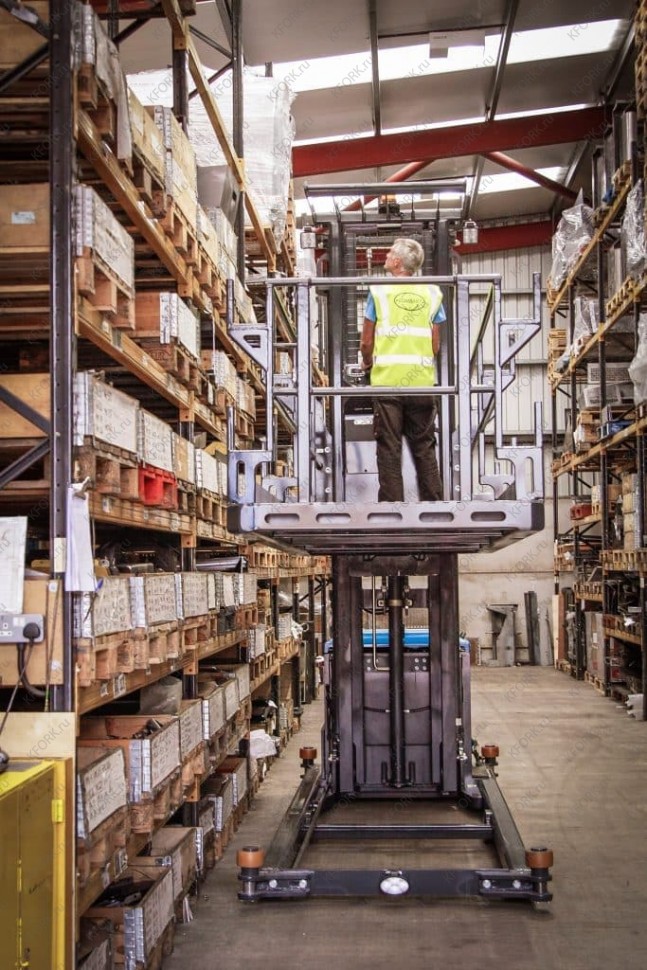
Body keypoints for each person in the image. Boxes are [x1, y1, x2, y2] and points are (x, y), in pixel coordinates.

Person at [360, 237, 445, 502]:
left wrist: (367, 362)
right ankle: (435, 506)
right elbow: (435, 345)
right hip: (421, 384)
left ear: (397, 262)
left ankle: (391, 509)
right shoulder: (432, 293)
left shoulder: (380, 293)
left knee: (389, 447)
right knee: (424, 446)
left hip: (388, 383)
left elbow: (366, 342)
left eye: (389, 254)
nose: (385, 257)